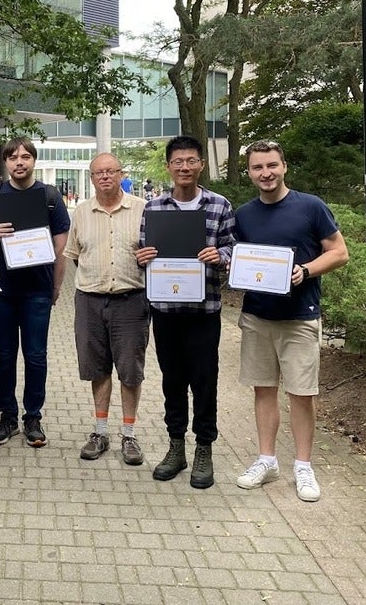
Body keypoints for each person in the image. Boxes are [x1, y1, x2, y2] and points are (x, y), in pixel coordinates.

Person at [234, 139, 349, 502]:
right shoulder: (244, 214)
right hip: (257, 316)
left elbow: (340, 253)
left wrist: (306, 270)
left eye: (272, 165)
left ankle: (303, 465)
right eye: (257, 167)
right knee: (263, 389)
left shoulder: (311, 207)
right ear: (250, 172)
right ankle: (267, 460)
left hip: (300, 316)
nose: (265, 173)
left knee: (302, 393)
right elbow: (237, 258)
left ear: (284, 166)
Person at [135, 135, 236, 489]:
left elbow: (232, 250)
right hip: (165, 310)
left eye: (191, 161)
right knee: (172, 381)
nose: (184, 167)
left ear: (201, 165)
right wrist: (142, 258)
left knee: (205, 382)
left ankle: (204, 449)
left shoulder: (219, 205)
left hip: (204, 311)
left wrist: (220, 257)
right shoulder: (154, 208)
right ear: (168, 166)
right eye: (177, 162)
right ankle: (175, 447)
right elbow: (144, 253)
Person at [0, 137, 70, 448]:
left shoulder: (50, 197)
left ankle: (33, 416)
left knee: (36, 355)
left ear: (34, 161)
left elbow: (60, 249)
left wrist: (56, 288)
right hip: (1, 291)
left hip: (37, 291)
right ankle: (7, 416)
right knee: (3, 355)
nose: (19, 162)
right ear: (6, 162)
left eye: (25, 156)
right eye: (13, 157)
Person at [63, 153, 149, 466]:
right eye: (98, 173)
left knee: (130, 369)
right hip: (89, 300)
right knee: (96, 368)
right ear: (91, 178)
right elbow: (75, 255)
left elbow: (154, 253)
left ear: (121, 174)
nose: (105, 177)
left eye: (111, 171)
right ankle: (100, 431)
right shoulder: (82, 212)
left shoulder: (142, 208)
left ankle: (129, 434)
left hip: (131, 300)